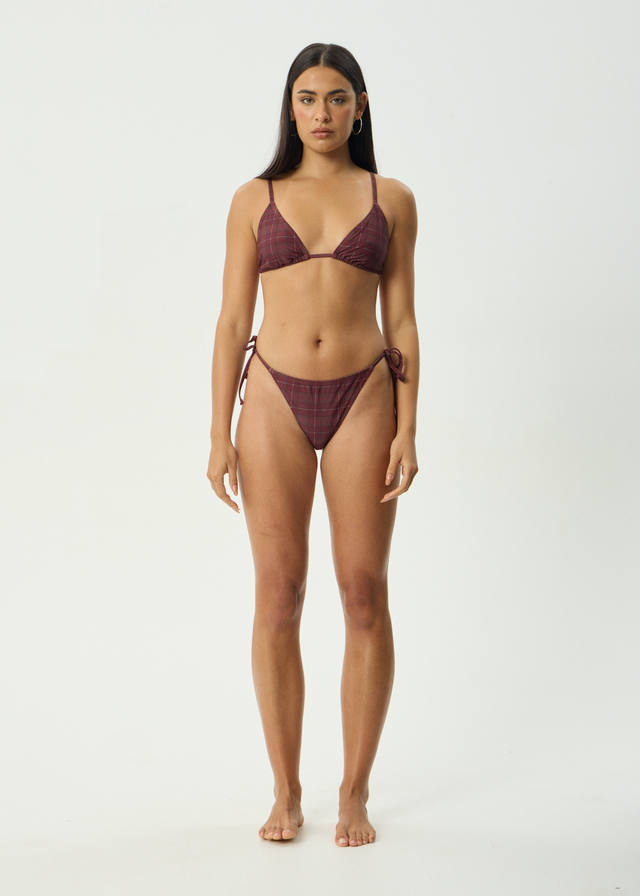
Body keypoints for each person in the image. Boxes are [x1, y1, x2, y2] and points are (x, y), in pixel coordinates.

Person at [207, 42, 419, 847]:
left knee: (364, 594)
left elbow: (403, 321)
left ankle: (354, 792)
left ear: (360, 106)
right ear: (289, 108)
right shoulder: (253, 198)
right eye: (306, 98)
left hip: (365, 395)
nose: (321, 113)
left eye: (336, 98)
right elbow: (232, 319)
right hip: (272, 400)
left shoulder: (391, 198)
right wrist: (218, 431)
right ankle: (286, 791)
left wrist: (409, 423)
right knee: (279, 595)